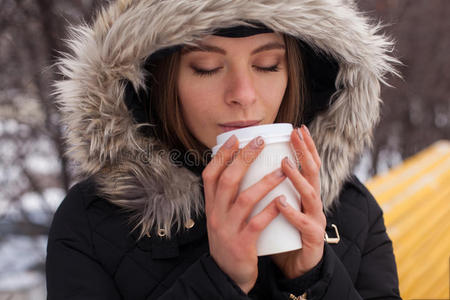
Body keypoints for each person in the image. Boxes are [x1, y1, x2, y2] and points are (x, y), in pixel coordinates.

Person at [46, 0, 401, 299]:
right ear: (157, 81)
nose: (243, 94)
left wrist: (313, 279)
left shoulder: (352, 211)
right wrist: (221, 280)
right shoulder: (90, 224)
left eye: (267, 65)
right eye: (207, 68)